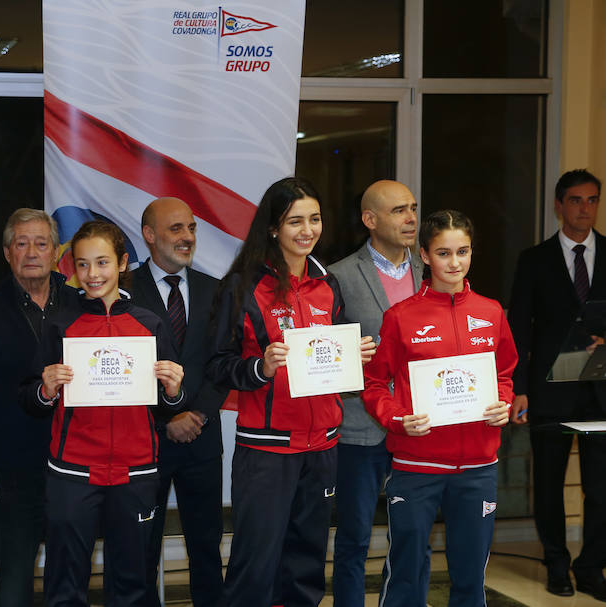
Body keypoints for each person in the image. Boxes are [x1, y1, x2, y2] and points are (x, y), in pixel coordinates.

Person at [207, 177, 375, 607]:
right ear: (272, 228)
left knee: (306, 563)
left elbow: (330, 364)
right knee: (256, 564)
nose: (307, 230)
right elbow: (217, 365)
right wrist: (260, 367)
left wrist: (353, 359)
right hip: (267, 451)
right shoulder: (242, 287)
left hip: (322, 445)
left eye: (314, 219)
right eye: (294, 221)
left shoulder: (327, 284)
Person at [22, 220, 186, 606]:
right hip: (73, 472)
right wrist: (45, 389)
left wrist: (175, 390)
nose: (92, 274)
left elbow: (168, 406)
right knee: (65, 584)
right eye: (82, 265)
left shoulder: (150, 323)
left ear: (122, 262)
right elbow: (28, 397)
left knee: (131, 585)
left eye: (102, 263)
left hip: (136, 472)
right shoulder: (61, 323)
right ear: (72, 269)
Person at [362, 209, 517, 606]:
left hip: (478, 468)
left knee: (470, 578)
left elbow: (504, 373)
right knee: (407, 575)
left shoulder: (491, 311)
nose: (455, 262)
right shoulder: (400, 317)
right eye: (444, 253)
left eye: (462, 251)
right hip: (417, 466)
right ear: (425, 256)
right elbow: (376, 383)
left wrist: (504, 401)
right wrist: (397, 419)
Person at [0, 208, 75, 606]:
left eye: (41, 243)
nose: (32, 252)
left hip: (72, 466)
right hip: (7, 471)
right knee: (13, 576)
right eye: (22, 243)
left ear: (56, 252)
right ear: (8, 252)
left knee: (69, 571)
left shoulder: (80, 304)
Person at [508, 169, 606, 600]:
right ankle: (556, 564)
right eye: (576, 200)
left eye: (592, 200)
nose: (585, 208)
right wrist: (519, 388)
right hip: (551, 391)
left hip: (601, 393)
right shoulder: (534, 260)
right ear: (559, 204)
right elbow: (519, 330)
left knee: (600, 488)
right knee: (547, 483)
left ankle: (590, 568)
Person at [326, 180, 423, 606]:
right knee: (354, 537)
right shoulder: (340, 276)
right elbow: (327, 356)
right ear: (370, 220)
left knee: (412, 536)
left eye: (413, 208)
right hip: (361, 427)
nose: (411, 218)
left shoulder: (431, 270)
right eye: (399, 210)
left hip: (419, 424)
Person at [132, 197, 227, 607]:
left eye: (191, 228)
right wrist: (167, 418)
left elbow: (223, 362)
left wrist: (199, 414)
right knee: (141, 548)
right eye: (176, 229)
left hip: (202, 440)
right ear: (150, 235)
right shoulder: (123, 291)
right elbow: (124, 369)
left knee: (206, 545)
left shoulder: (215, 289)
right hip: (147, 440)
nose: (187, 237)